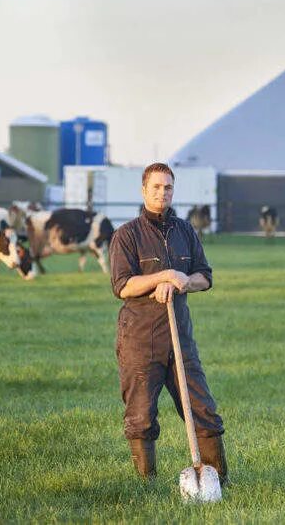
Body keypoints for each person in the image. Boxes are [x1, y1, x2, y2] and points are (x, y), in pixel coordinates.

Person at [108, 162, 228, 484]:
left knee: (203, 408)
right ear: (144, 190)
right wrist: (162, 276)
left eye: (168, 187)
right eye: (157, 187)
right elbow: (122, 286)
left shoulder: (185, 231)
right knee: (141, 415)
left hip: (181, 339)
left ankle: (218, 480)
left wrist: (183, 282)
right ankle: (146, 485)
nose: (163, 193)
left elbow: (205, 277)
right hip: (140, 339)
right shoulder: (126, 235)